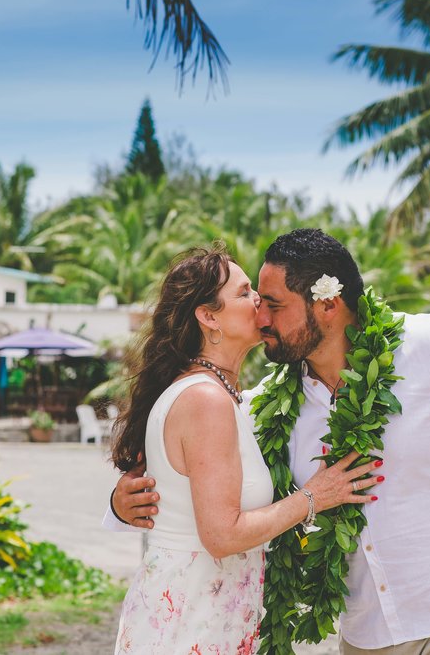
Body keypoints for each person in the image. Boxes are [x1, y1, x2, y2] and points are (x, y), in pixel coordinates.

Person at [108, 230, 430, 654]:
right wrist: (121, 503)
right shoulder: (271, 404)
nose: (261, 318)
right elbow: (190, 463)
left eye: (273, 303)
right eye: (253, 300)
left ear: (328, 305)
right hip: (370, 633)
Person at [109, 246, 381, 655]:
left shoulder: (221, 396)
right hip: (195, 618)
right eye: (243, 292)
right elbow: (221, 535)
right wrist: (314, 497)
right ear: (209, 317)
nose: (258, 299)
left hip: (199, 608)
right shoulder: (207, 400)